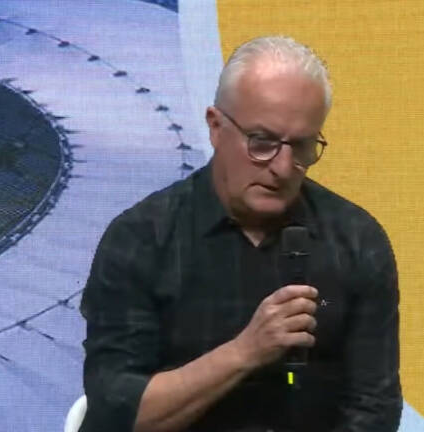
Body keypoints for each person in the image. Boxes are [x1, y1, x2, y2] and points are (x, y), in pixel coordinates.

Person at [79, 35, 402, 432]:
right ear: (216, 127)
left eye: (301, 147)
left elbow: (374, 409)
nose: (282, 168)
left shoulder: (356, 241)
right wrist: (245, 352)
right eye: (262, 143)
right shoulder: (142, 240)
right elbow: (115, 416)